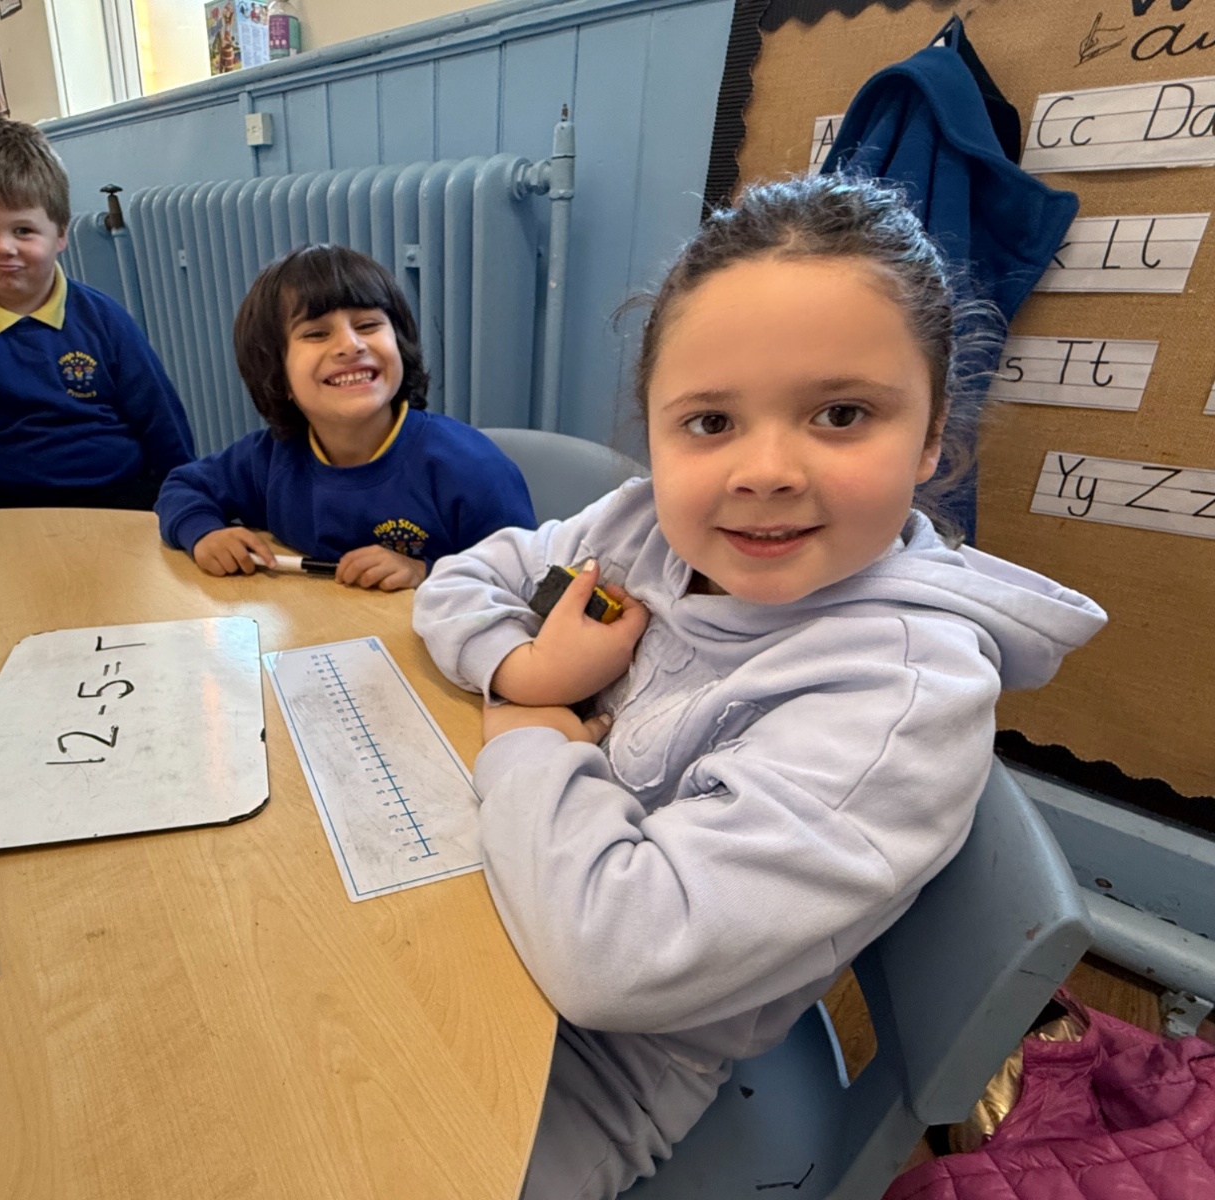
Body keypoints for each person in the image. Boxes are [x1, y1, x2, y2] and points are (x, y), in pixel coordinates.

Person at [411, 174, 1108, 1198]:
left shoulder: (896, 698)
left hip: (602, 1062)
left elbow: (616, 958)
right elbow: (462, 578)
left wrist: (529, 731)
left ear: (929, 438)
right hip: (486, 896)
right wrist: (525, 670)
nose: (765, 470)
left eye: (840, 413)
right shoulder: (639, 529)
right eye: (709, 423)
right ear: (654, 433)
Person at [156, 244, 536, 591]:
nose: (350, 345)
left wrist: (426, 571)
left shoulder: (470, 468)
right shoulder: (269, 459)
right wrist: (203, 534)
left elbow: (525, 579)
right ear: (277, 374)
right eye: (316, 333)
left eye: (368, 325)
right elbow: (182, 487)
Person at [0, 110, 193, 510]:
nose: (3, 247)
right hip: (14, 511)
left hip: (124, 498)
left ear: (60, 234)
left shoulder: (105, 319)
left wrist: (190, 500)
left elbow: (161, 420)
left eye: (23, 230)